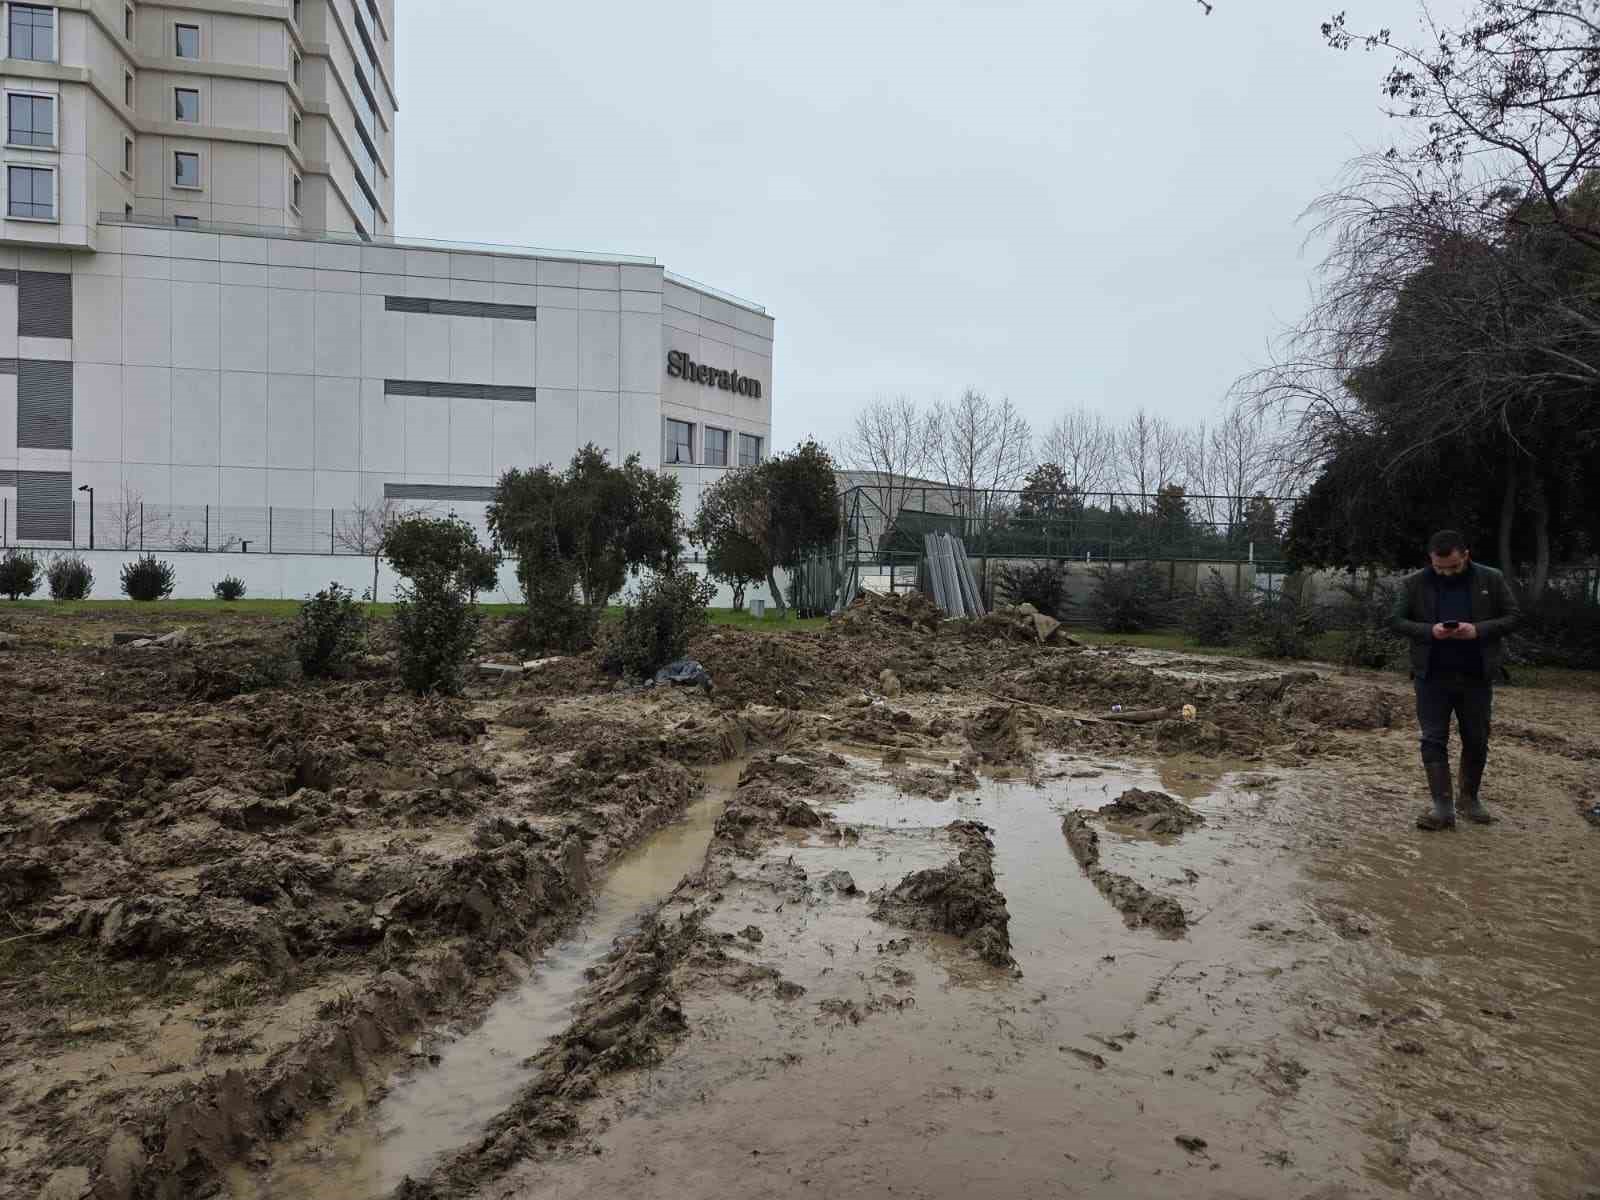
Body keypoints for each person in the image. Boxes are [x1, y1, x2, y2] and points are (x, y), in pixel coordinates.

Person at [1389, 530, 1521, 830]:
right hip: (1431, 675)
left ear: (1466, 555)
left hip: (1476, 674)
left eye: (1453, 566)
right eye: (1439, 567)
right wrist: (1429, 631)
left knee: (1476, 738)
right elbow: (1395, 620)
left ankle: (1469, 798)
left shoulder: (1491, 579)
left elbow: (1513, 616)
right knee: (1433, 739)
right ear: (1431, 559)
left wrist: (1478, 630)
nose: (1446, 572)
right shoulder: (1414, 583)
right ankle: (1442, 807)